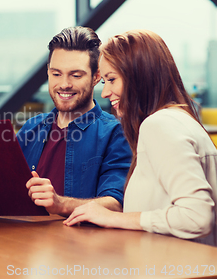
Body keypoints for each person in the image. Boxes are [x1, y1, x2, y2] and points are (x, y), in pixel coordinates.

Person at [0, 27, 132, 216]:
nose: (64, 84)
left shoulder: (116, 133)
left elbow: (117, 204)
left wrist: (61, 204)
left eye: (75, 75)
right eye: (56, 74)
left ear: (96, 77)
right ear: (48, 73)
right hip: (22, 240)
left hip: (78, 244)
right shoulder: (31, 128)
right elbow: (3, 192)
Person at [64, 29, 217, 246]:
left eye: (112, 79)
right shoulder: (179, 120)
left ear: (138, 76)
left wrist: (113, 217)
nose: (106, 92)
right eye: (103, 82)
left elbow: (196, 217)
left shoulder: (159, 125)